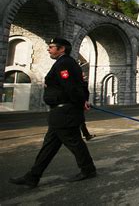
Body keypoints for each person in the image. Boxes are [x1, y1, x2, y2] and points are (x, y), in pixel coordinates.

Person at [9, 38, 96, 188]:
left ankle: (88, 170)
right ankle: (33, 176)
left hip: (64, 111)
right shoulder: (68, 62)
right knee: (50, 146)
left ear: (61, 49)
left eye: (51, 47)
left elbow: (70, 86)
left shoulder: (64, 63)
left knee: (74, 143)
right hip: (63, 112)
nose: (48, 49)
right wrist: (83, 100)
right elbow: (80, 84)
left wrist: (81, 102)